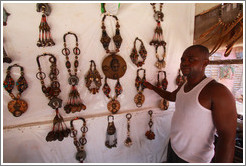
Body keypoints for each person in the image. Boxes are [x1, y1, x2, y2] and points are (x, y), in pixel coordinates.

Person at [144, 45, 237, 163]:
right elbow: (171, 97)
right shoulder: (184, 85)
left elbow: (227, 139)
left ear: (205, 63)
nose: (184, 63)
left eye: (191, 59)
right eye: (182, 60)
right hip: (174, 148)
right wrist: (152, 87)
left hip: (194, 160)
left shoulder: (217, 91)